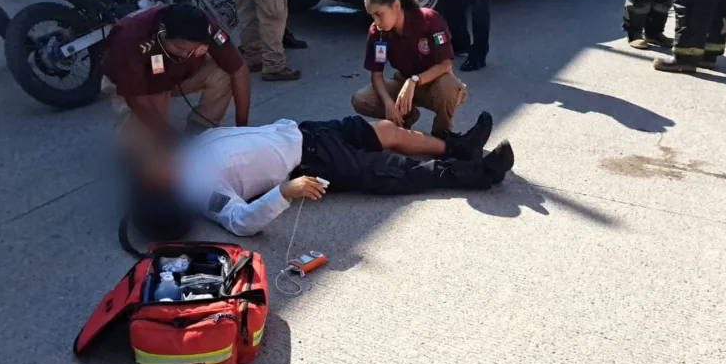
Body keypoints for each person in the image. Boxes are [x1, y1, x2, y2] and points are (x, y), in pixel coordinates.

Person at [165, 114, 511, 237]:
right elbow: (241, 222)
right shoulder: (197, 189)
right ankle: (481, 172)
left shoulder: (188, 148)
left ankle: (459, 147)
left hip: (308, 132)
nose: (155, 160)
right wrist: (285, 192)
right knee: (396, 171)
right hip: (311, 163)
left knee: (388, 130)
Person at [100, 2, 251, 142]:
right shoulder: (131, 37)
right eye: (180, 48)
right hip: (136, 84)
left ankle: (201, 133)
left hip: (173, 76)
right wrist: (168, 135)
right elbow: (136, 98)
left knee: (224, 72)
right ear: (162, 32)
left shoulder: (205, 27)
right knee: (152, 159)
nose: (186, 55)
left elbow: (238, 70)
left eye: (192, 50)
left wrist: (242, 130)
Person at [351, 0, 468, 138]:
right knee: (361, 99)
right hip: (403, 84)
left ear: (397, 6)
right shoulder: (378, 33)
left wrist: (414, 81)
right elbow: (376, 74)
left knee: (448, 87)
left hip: (435, 84)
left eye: (379, 14)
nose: (376, 22)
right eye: (372, 16)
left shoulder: (429, 20)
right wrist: (388, 103)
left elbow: (445, 65)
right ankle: (406, 117)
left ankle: (443, 133)